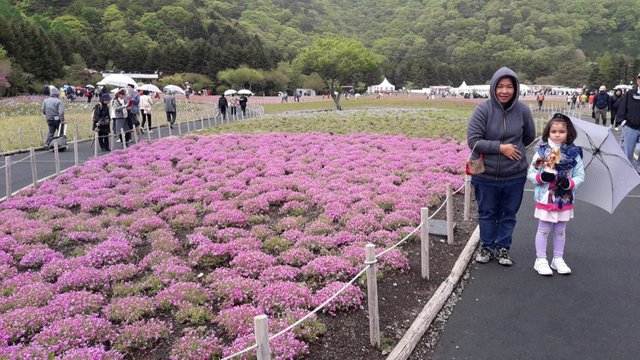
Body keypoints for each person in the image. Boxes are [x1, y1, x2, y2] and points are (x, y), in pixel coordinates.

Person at [467, 67, 537, 266]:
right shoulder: (483, 110)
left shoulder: (523, 110)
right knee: (487, 212)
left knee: (508, 214)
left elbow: (529, 136)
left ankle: (503, 248)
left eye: (509, 86)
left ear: (515, 89)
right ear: (493, 87)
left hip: (514, 175)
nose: (504, 91)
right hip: (485, 174)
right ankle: (487, 246)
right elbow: (473, 141)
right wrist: (501, 148)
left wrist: (514, 151)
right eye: (500, 86)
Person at [527, 113, 585, 275]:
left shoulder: (574, 154)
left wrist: (570, 183)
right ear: (548, 133)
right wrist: (541, 177)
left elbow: (580, 175)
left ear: (568, 133)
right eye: (554, 131)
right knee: (544, 228)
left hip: (564, 197)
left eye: (562, 131)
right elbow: (531, 173)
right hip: (546, 196)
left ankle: (557, 258)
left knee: (560, 229)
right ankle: (541, 259)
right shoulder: (542, 152)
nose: (558, 134)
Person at [615, 73, 640, 173]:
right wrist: (622, 121)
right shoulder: (630, 93)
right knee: (628, 152)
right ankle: (627, 171)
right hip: (630, 127)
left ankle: (638, 171)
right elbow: (622, 107)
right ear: (637, 81)